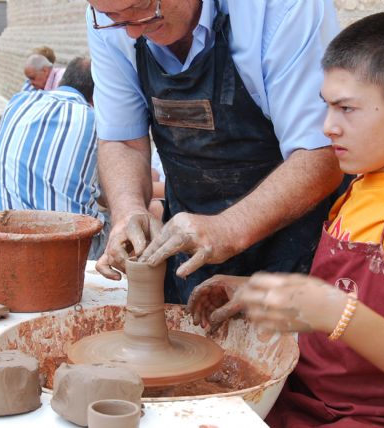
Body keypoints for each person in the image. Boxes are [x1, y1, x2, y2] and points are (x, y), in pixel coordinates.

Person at [188, 12, 384, 426]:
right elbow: (345, 293)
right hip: (310, 403)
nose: (328, 127)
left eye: (347, 109)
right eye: (326, 107)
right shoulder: (359, 186)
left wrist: (337, 312)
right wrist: (260, 292)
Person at [86, 0, 344, 303]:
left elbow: (322, 153)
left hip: (296, 247)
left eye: (143, 8)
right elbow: (122, 140)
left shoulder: (280, 8)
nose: (131, 31)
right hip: (191, 244)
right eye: (114, 18)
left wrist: (228, 228)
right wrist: (128, 211)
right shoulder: (110, 12)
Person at [0, 57, 108, 259]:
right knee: (136, 217)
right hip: (64, 252)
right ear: (99, 95)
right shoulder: (97, 122)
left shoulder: (17, 102)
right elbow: (109, 193)